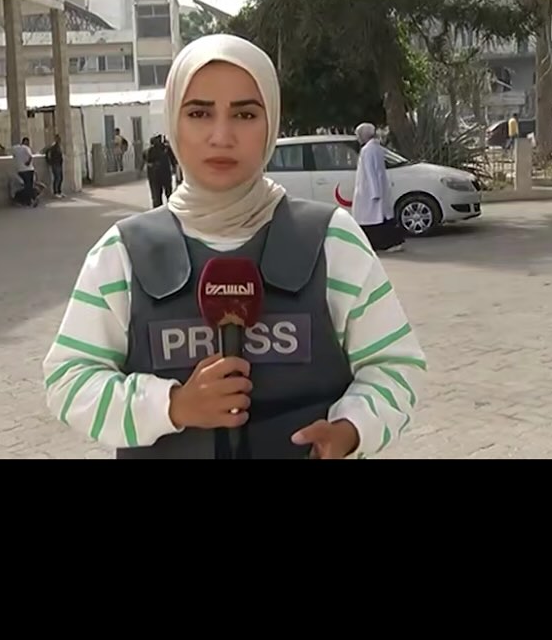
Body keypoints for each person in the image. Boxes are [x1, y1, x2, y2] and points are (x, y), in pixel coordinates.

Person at [41, 34, 426, 459]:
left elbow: (395, 366)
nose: (221, 136)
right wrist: (172, 406)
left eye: (245, 114)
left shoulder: (333, 240)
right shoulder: (124, 253)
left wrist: (351, 430)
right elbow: (69, 381)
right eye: (199, 113)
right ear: (173, 123)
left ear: (271, 123)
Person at [352, 123, 405, 253]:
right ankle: (389, 243)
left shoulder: (368, 150)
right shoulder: (375, 148)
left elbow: (371, 172)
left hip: (370, 191)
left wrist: (374, 192)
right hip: (375, 190)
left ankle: (385, 244)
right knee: (380, 217)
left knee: (372, 219)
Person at [142, 135, 173, 208]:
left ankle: (160, 209)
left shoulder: (164, 149)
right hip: (161, 175)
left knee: (158, 196)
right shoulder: (165, 149)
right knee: (165, 194)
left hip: (156, 176)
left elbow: (144, 161)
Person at [43, 134, 65, 198]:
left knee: (61, 178)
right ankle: (55, 192)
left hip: (59, 164)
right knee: (57, 178)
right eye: (57, 139)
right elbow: (47, 152)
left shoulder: (59, 146)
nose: (59, 140)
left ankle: (59, 191)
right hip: (55, 164)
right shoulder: (53, 147)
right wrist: (49, 161)